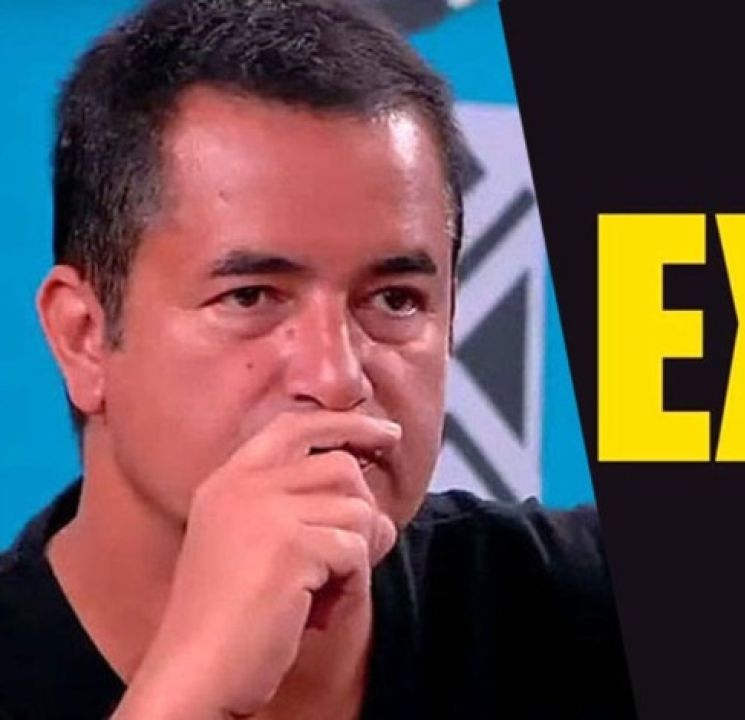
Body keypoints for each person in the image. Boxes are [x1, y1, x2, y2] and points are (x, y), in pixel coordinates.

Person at [0, 0, 634, 717]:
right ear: (83, 336)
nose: (336, 377)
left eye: (394, 300)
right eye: (250, 297)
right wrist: (190, 690)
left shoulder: (586, 615)